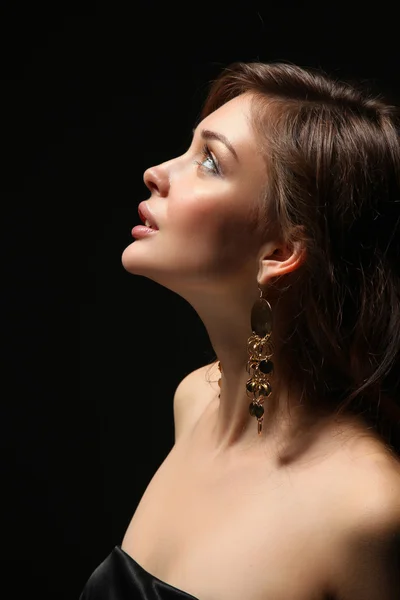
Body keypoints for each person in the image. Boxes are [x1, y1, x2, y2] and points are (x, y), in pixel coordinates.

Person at [80, 61, 400, 600]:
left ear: (280, 253)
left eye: (208, 161)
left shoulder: (368, 508)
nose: (157, 172)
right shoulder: (194, 402)